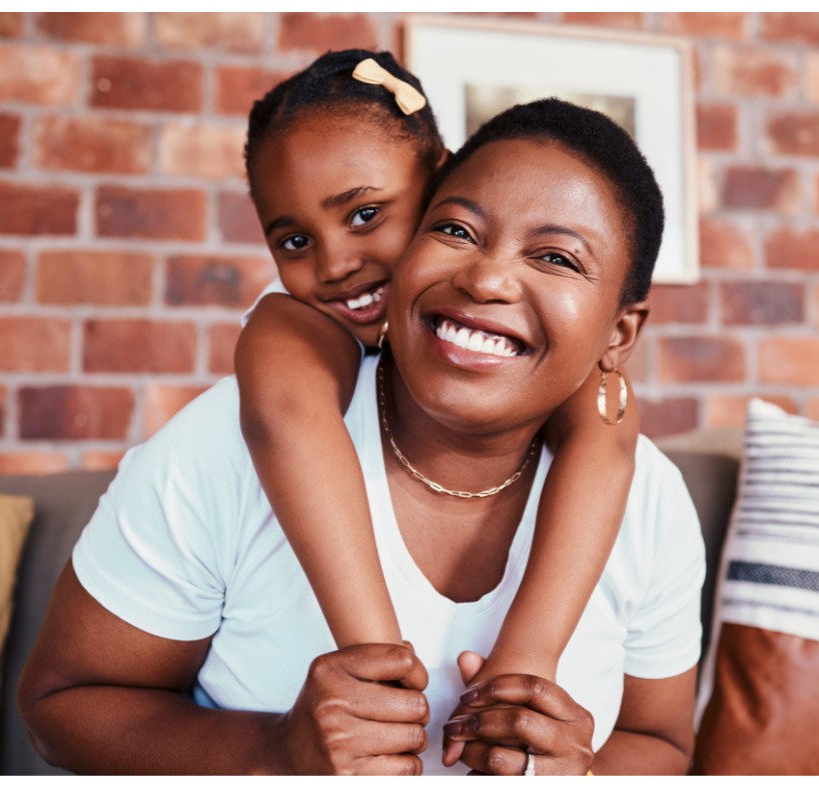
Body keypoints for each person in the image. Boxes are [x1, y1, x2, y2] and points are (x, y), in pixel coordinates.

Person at [18, 98, 705, 776]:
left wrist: (577, 772)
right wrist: (273, 753)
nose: (487, 277)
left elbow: (660, 743)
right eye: (458, 231)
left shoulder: (648, 498)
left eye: (555, 257)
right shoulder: (230, 440)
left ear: (620, 334)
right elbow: (61, 706)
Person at [233, 50, 639, 705]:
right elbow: (284, 417)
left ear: (443, 182)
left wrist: (524, 664)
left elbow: (607, 426)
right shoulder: (293, 330)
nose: (335, 264)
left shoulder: (544, 367)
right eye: (294, 242)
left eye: (366, 214)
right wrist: (375, 664)